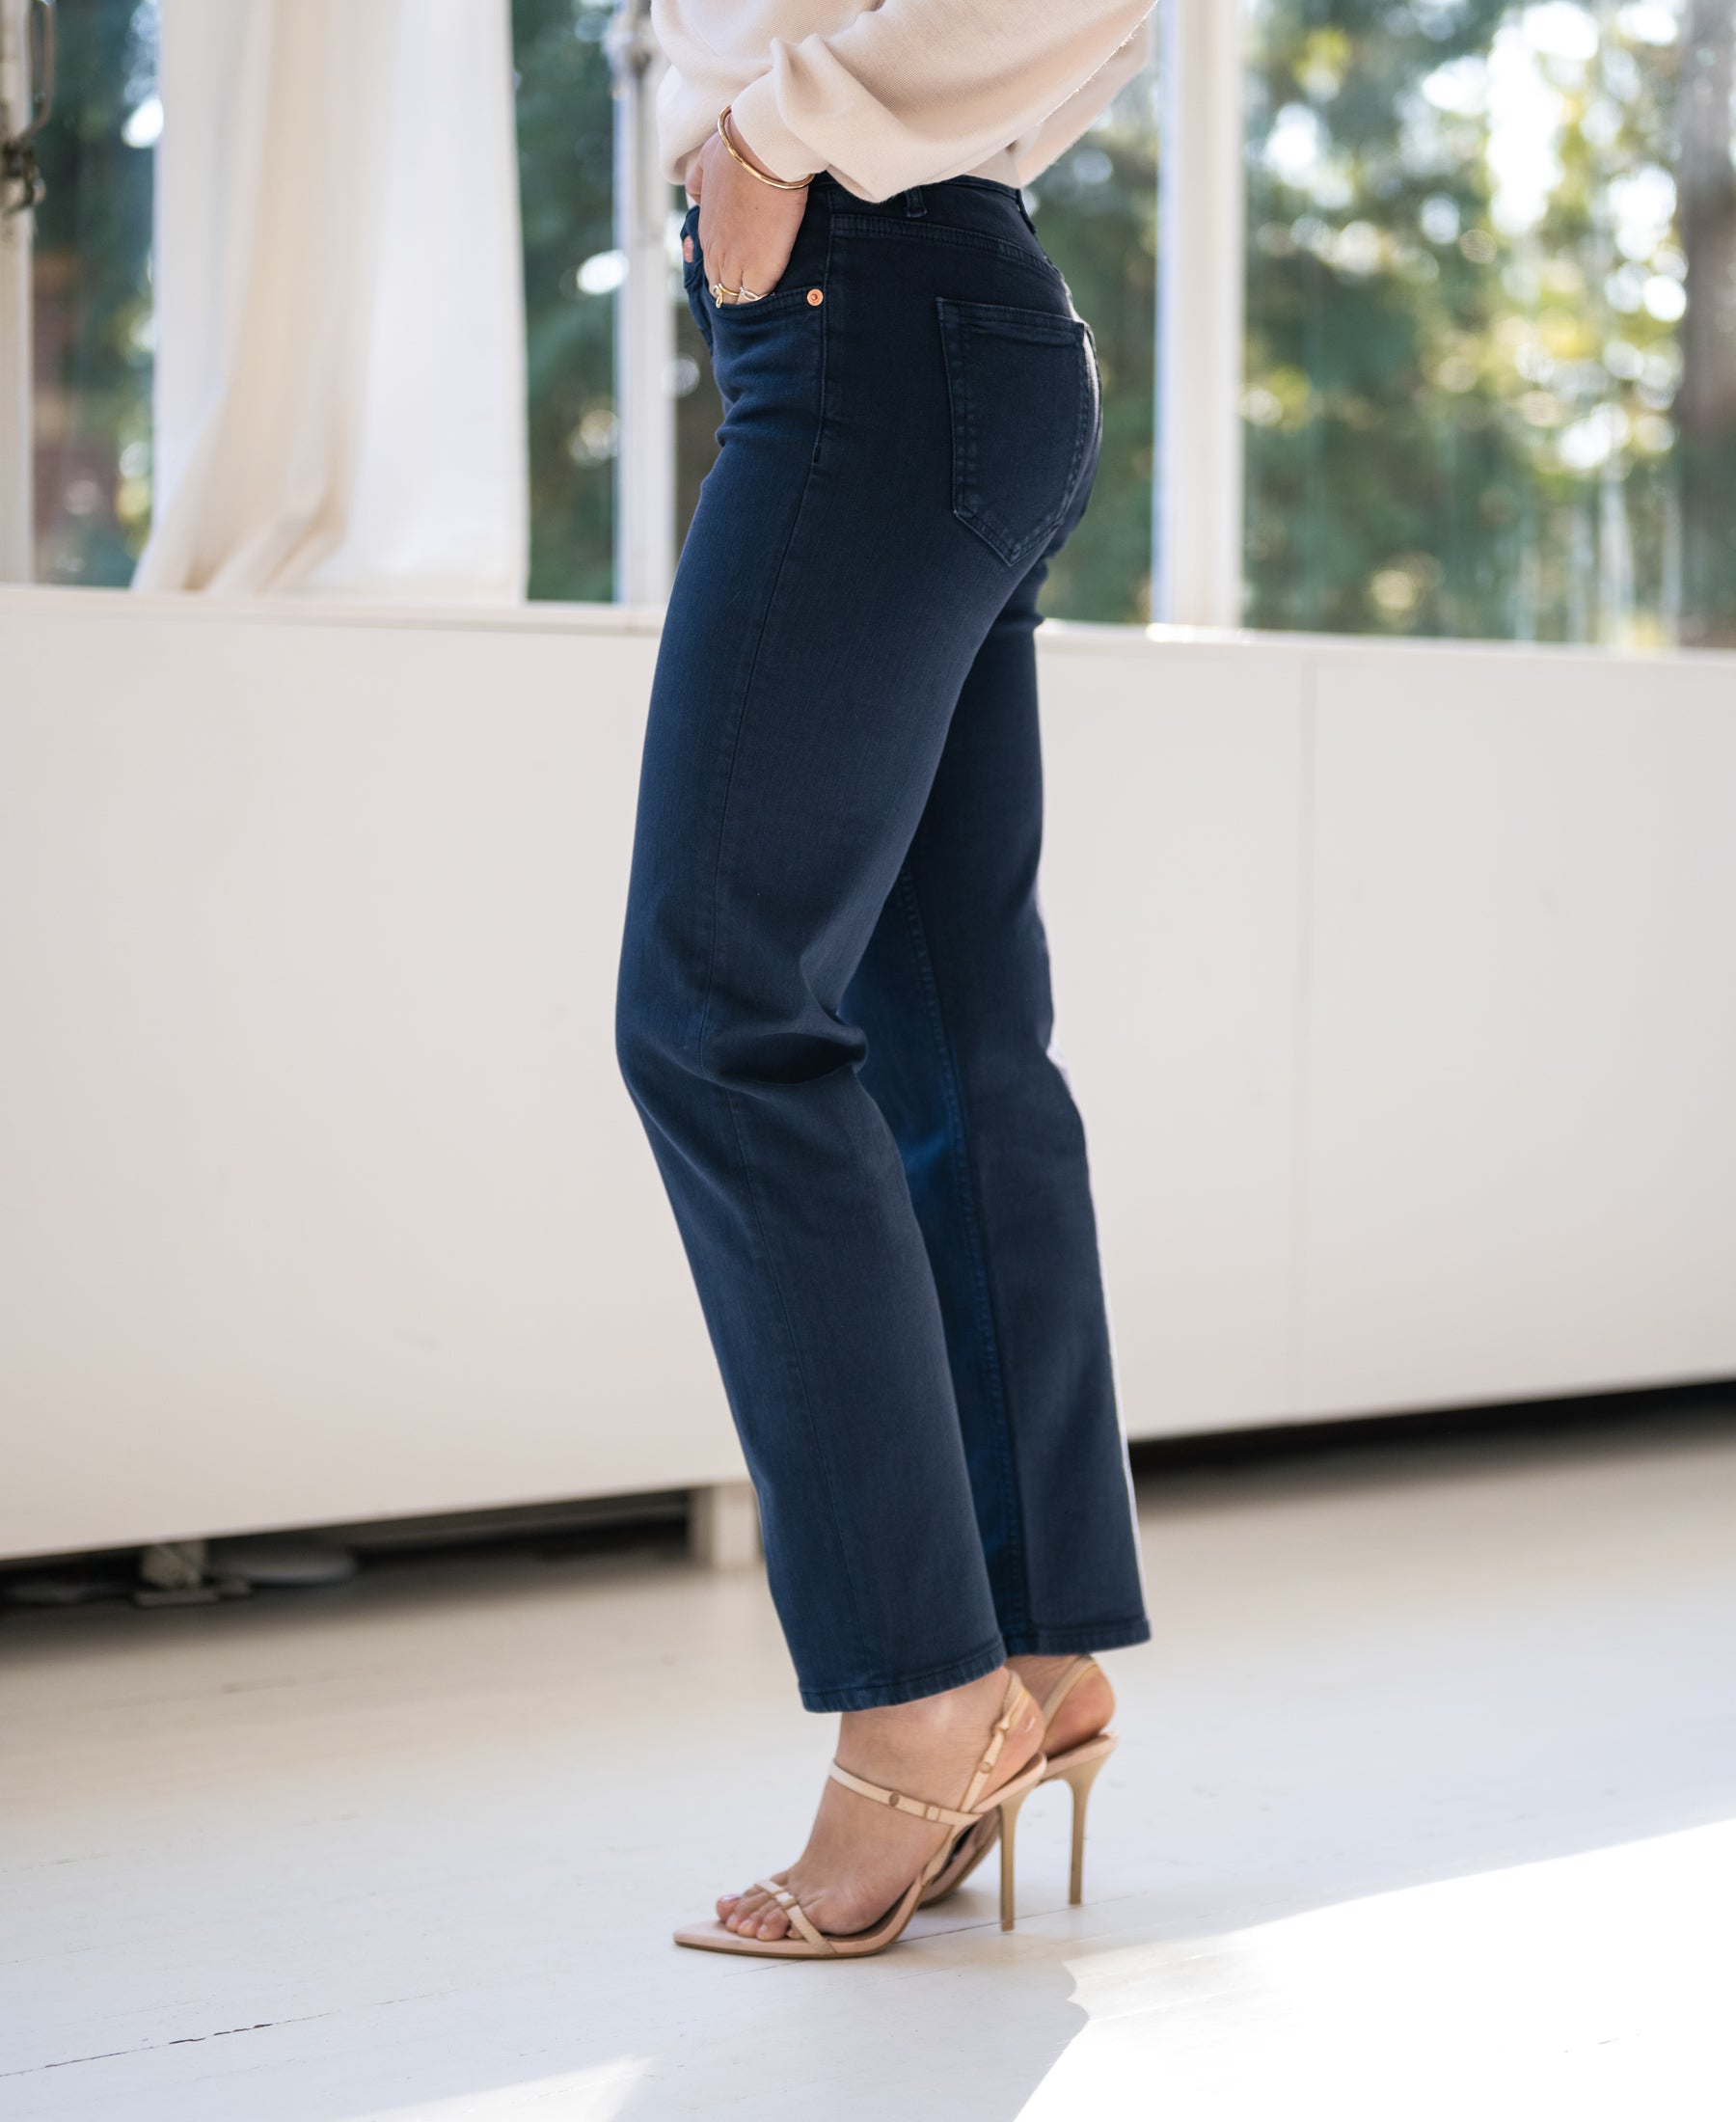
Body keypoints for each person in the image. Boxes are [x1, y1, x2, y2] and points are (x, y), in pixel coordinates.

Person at [614, 0, 1156, 1961]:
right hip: (922, 318)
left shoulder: (822, 169)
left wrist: (783, 130)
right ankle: (1028, 1646)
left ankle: (921, 1695)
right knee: (950, 1032)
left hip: (874, 316)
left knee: (720, 1013)